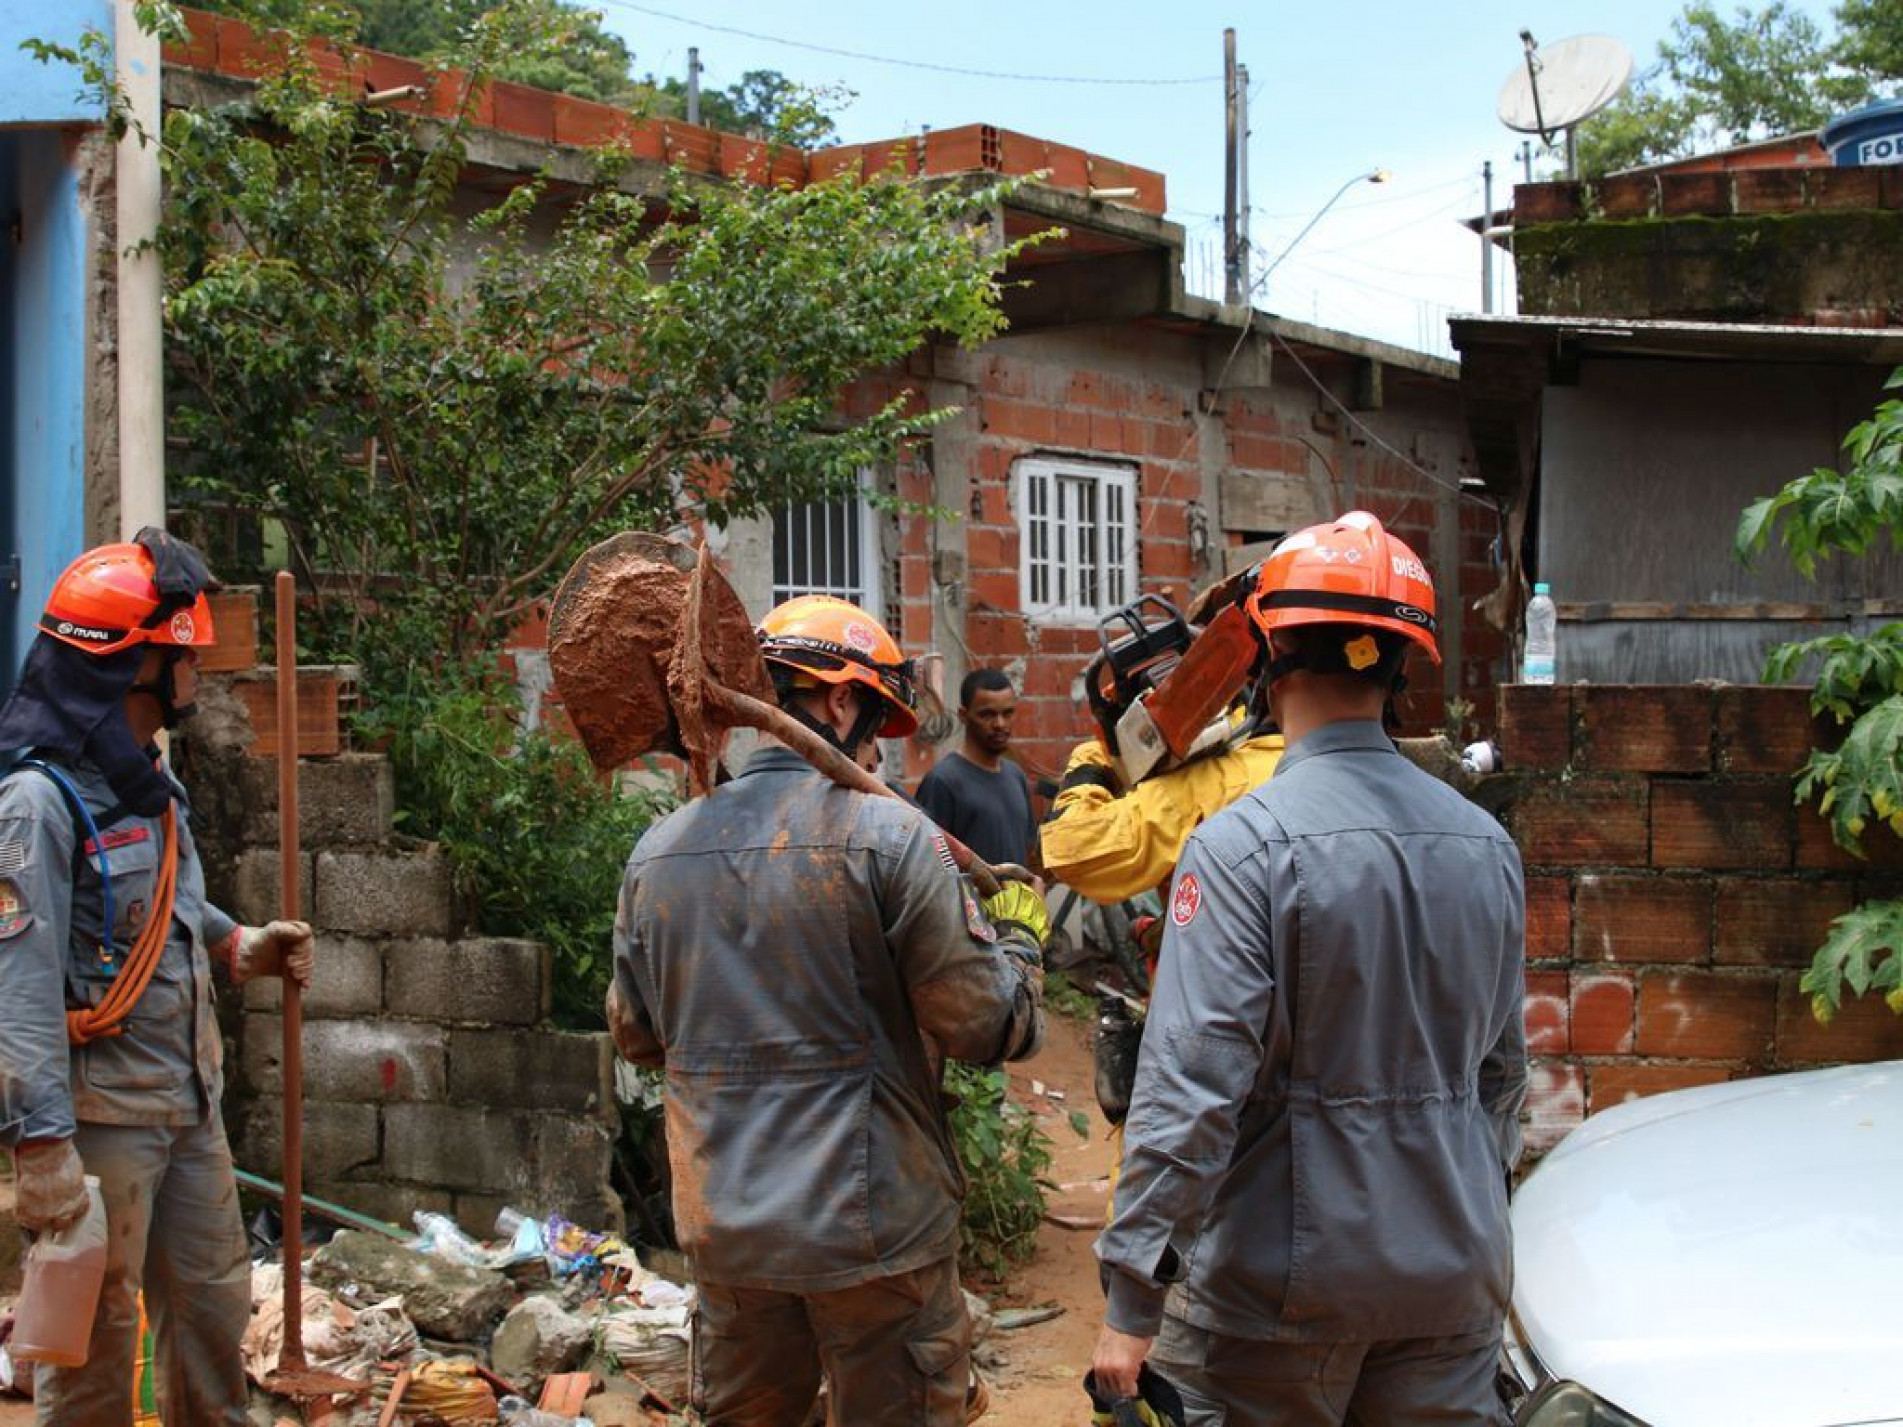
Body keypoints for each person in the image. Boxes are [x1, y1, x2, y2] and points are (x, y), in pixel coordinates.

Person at [1091, 512, 1528, 1426]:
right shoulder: (1487, 845)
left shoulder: (1242, 846)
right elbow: (1500, 1078)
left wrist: (1133, 1299)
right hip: (1452, 1283)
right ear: (1401, 665)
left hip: (1276, 1297)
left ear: (1264, 655)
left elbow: (1191, 1086)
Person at [605, 594, 1046, 1427]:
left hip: (729, 1236)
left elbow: (635, 1034)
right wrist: (1018, 944)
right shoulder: (890, 838)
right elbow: (985, 1024)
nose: (877, 747)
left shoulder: (658, 852)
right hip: (874, 1236)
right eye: (875, 720)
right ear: (838, 700)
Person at [0, 531, 315, 1425]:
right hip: (101, 1127)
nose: (198, 673)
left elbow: (166, 905)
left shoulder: (147, 785)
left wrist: (237, 943)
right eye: (184, 656)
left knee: (215, 1316)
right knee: (96, 1354)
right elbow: (16, 985)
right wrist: (40, 1147)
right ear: (131, 666)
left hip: (189, 1101)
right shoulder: (38, 805)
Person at [915, 668, 1038, 869]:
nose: (999, 724)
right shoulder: (943, 782)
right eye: (987, 715)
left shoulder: (1016, 776)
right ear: (964, 715)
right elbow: (927, 866)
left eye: (1007, 713)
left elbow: (1028, 852)